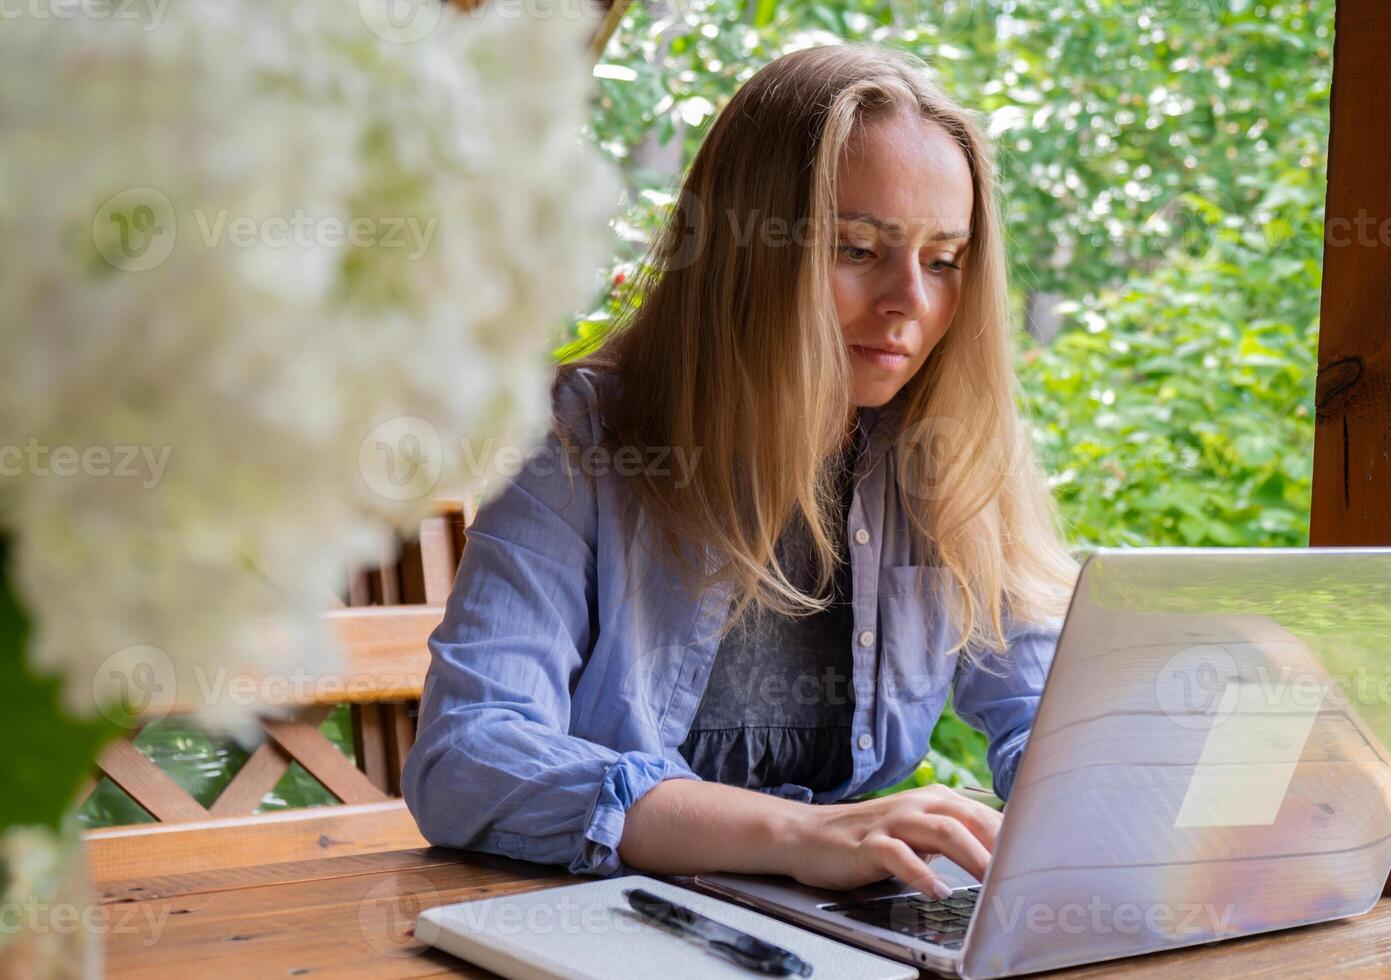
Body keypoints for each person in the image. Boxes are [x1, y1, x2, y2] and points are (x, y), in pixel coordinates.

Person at [401, 42, 1078, 902]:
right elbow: (469, 752)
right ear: (747, 253)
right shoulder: (581, 439)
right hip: (602, 915)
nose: (910, 299)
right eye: (858, 249)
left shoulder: (947, 446)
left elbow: (1049, 722)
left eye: (944, 260)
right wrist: (799, 835)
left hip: (839, 915)